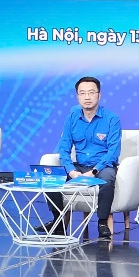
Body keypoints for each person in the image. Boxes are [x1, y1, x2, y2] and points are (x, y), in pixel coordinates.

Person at [37, 76, 122, 239]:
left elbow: (113, 152)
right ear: (77, 97)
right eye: (82, 93)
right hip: (79, 166)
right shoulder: (72, 118)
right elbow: (64, 149)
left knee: (108, 178)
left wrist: (94, 171)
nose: (87, 97)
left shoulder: (112, 119)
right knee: (51, 177)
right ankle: (58, 221)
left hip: (102, 167)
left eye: (91, 93)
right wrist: (71, 171)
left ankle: (102, 222)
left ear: (99, 95)